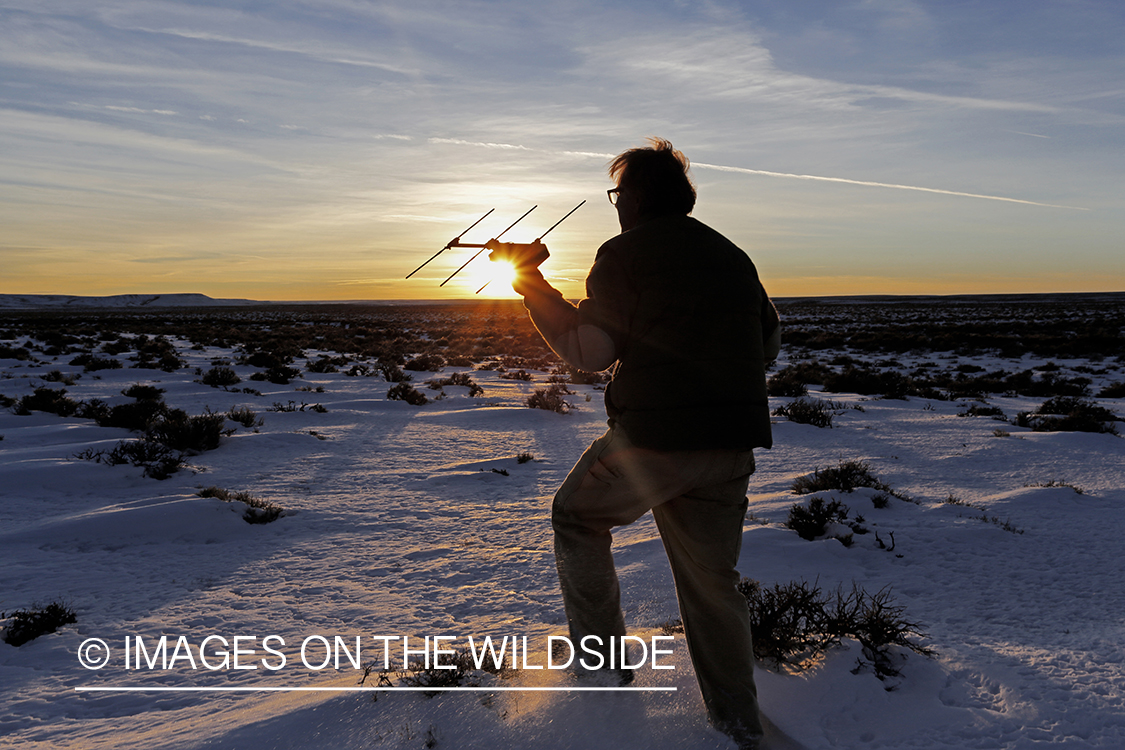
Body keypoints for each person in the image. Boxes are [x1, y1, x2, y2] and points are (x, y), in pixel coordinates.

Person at [499, 137, 780, 749]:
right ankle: (738, 724)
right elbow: (767, 347)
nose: (616, 204)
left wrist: (531, 282)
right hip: (730, 446)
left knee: (575, 518)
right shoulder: (733, 255)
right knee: (712, 583)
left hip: (654, 440)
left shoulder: (624, 253)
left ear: (637, 197)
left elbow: (589, 354)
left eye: (618, 192)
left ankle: (601, 673)